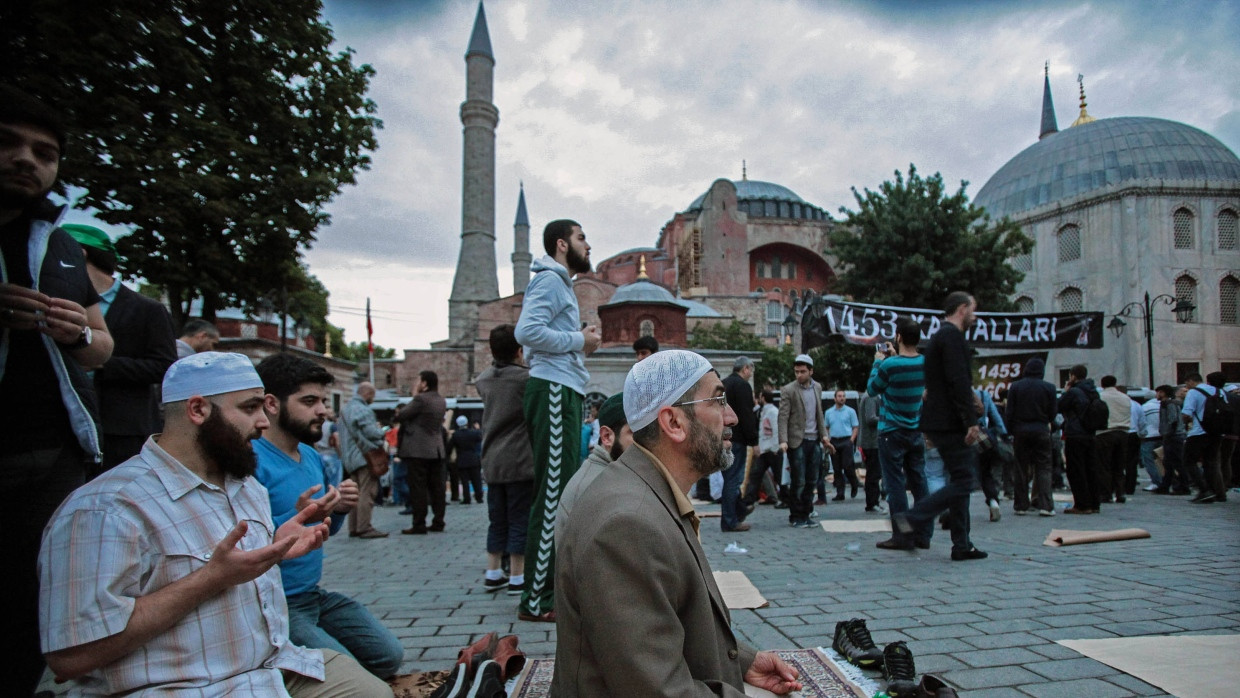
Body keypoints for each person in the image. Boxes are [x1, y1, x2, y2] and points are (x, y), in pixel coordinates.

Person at [38, 352, 391, 696]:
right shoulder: (106, 510)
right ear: (197, 410)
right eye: (250, 408)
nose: (264, 421)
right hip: (182, 686)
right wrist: (210, 578)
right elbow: (71, 656)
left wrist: (274, 546)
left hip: (273, 668)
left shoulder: (245, 486)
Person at [552, 350, 802, 696]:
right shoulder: (628, 524)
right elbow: (657, 689)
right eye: (718, 400)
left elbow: (668, 619)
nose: (731, 417)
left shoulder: (646, 491)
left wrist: (741, 662)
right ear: (673, 423)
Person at [1, 86, 117, 693]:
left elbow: (101, 345)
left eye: (43, 151)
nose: (26, 159)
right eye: (9, 143)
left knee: (36, 604)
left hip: (53, 452)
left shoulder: (61, 246)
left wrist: (77, 333)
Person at [253, 353, 404, 680]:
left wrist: (335, 511)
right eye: (309, 401)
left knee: (389, 656)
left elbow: (323, 530)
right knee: (348, 675)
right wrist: (294, 517)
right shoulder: (252, 461)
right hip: (275, 604)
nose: (323, 410)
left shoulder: (309, 455)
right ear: (271, 404)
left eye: (322, 400)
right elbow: (245, 547)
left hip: (313, 596)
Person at [513, 219, 602, 622]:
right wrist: (579, 341)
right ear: (563, 244)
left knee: (561, 492)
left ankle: (548, 593)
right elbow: (526, 332)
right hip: (552, 389)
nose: (589, 244)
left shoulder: (559, 283)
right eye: (583, 238)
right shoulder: (549, 279)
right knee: (551, 497)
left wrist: (579, 342)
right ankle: (537, 600)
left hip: (561, 389)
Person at [66, 223, 177, 474]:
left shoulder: (147, 309)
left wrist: (102, 362)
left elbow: (164, 367)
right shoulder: (62, 301)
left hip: (121, 432)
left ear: (80, 254)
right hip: (65, 425)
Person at [892, 292, 988, 560]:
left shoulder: (937, 338)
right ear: (961, 309)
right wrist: (970, 421)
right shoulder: (952, 337)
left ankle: (962, 544)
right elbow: (959, 382)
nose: (975, 316)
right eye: (973, 310)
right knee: (965, 480)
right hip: (950, 422)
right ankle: (912, 517)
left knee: (960, 480)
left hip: (939, 420)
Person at [475, 324, 536, 596]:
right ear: (519, 350)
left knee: (496, 517)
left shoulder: (483, 379)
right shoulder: (526, 380)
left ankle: (492, 571)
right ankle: (517, 576)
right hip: (520, 459)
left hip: (491, 460)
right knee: (519, 517)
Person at [868, 318, 931, 550]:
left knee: (895, 485)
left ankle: (902, 535)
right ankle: (924, 534)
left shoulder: (889, 365)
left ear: (899, 337)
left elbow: (872, 389)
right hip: (915, 428)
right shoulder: (925, 363)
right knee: (919, 482)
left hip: (891, 431)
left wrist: (877, 362)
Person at [557, 392, 632, 546]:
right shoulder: (596, 486)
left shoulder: (616, 473)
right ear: (607, 437)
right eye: (634, 433)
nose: (645, 442)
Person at [778, 353, 829, 529]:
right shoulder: (789, 390)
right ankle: (796, 515)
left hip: (814, 439)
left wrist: (824, 436)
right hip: (796, 441)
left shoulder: (818, 388)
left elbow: (819, 414)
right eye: (796, 372)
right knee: (798, 479)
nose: (799, 375)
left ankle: (807, 513)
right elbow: (783, 417)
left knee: (812, 479)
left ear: (811, 371)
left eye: (802, 372)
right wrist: (783, 440)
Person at [396, 370, 448, 534]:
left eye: (418, 380)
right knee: (437, 488)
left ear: (424, 383)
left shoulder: (420, 399)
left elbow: (402, 415)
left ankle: (419, 523)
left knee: (418, 488)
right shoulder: (441, 400)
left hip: (418, 450)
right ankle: (438, 521)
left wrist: (414, 394)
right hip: (437, 449)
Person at [1004, 357, 1057, 515]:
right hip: (1041, 429)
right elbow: (1053, 413)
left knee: (1021, 468)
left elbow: (1009, 412)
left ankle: (1021, 505)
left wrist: (1011, 430)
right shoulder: (1049, 388)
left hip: (1020, 430)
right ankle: (1045, 505)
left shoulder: (1016, 386)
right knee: (1044, 467)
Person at [338, 381, 389, 538]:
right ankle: (364, 527)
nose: (372, 399)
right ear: (367, 394)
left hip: (350, 458)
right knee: (368, 492)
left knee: (355, 494)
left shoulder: (345, 409)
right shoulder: (363, 409)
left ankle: (354, 527)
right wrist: (382, 432)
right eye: (372, 395)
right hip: (365, 457)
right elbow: (371, 432)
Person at [1058, 365, 1103, 514]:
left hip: (1075, 434)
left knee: (1076, 470)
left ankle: (1082, 504)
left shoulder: (1074, 392)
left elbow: (1058, 406)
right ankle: (1094, 502)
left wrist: (1066, 391)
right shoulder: (1092, 391)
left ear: (1073, 376)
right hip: (1090, 433)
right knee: (1091, 468)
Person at [721, 355, 758, 532]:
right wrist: (754, 440)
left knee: (729, 478)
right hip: (738, 439)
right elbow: (746, 415)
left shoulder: (723, 384)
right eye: (750, 370)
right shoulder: (742, 385)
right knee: (733, 480)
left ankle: (739, 510)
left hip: (723, 437)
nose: (750, 374)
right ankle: (730, 520)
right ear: (745, 369)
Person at [1182, 371, 1228, 503]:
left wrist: (1186, 423)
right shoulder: (1220, 392)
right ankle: (1215, 491)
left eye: (1186, 383)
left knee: (1189, 461)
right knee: (1211, 463)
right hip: (1217, 433)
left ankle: (1204, 490)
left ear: (1191, 381)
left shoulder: (1193, 392)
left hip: (1198, 432)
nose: (1186, 386)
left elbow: (1186, 413)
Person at [742, 389, 784, 510]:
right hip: (765, 449)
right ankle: (748, 499)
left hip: (772, 449)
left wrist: (776, 447)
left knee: (778, 475)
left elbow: (776, 430)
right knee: (756, 474)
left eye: (760, 397)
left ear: (764, 398)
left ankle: (785, 498)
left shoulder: (772, 412)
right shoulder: (765, 411)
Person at [1096, 375, 1134, 503]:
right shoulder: (1125, 398)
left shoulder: (1100, 396)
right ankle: (1120, 492)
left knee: (1104, 465)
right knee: (1119, 465)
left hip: (1105, 432)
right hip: (1123, 432)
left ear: (1102, 384)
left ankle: (1106, 493)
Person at [1152, 384, 1190, 495]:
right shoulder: (1167, 404)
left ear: (1163, 393)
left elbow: (1172, 420)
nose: (1157, 395)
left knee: (1177, 462)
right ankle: (1165, 486)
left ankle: (1183, 487)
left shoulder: (1170, 404)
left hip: (1173, 437)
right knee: (1168, 462)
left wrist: (1168, 433)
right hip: (1172, 436)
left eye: (1158, 392)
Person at [448, 415, 484, 503]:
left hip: (462, 460)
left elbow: (449, 448)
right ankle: (479, 497)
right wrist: (477, 429)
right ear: (467, 423)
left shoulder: (456, 435)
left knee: (464, 481)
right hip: (473, 458)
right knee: (476, 480)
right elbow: (480, 438)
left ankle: (467, 498)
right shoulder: (473, 433)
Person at [857, 388, 882, 513]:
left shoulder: (870, 395)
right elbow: (871, 419)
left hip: (871, 442)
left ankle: (873, 502)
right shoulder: (871, 396)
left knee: (873, 474)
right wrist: (886, 418)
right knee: (873, 474)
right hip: (871, 442)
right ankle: (872, 503)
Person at [1139, 389, 1163, 491]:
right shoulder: (1162, 405)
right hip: (1162, 436)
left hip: (1149, 437)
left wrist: (1141, 434)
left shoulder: (1144, 407)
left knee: (1149, 461)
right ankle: (1166, 480)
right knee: (1162, 460)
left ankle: (1156, 482)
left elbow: (1142, 423)